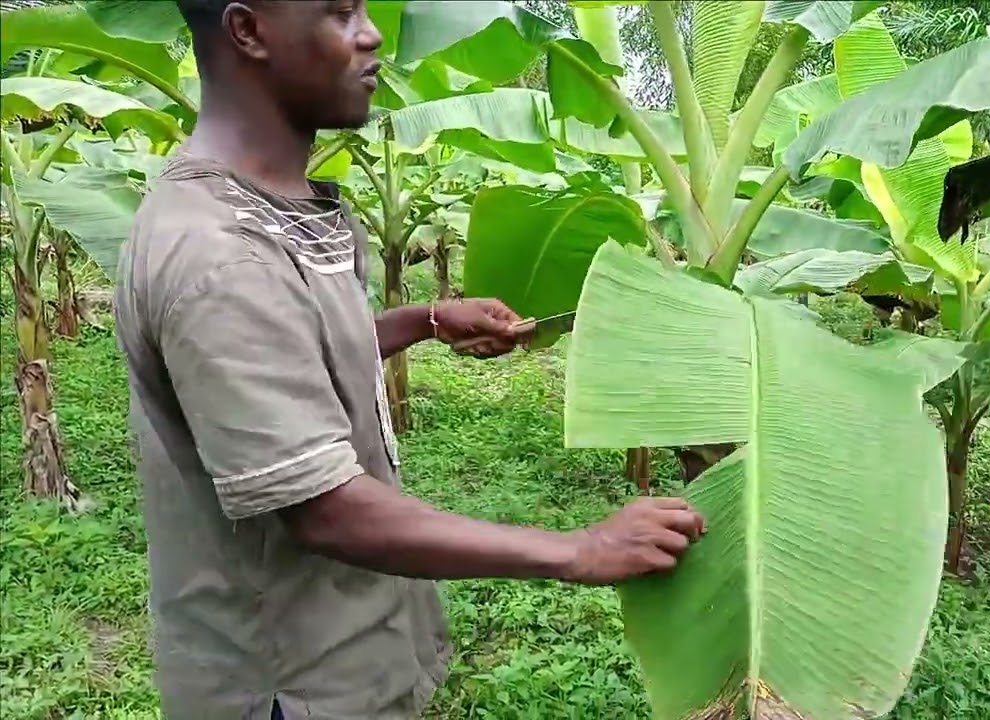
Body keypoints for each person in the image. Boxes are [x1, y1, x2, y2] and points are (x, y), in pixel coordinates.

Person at [112, 1, 707, 718]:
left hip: (352, 645)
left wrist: (422, 320)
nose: (371, 34)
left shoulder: (275, 208)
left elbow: (294, 348)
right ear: (248, 31)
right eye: (339, 12)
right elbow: (325, 511)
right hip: (292, 684)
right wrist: (578, 549)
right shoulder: (220, 255)